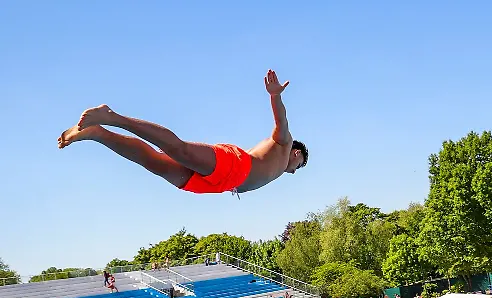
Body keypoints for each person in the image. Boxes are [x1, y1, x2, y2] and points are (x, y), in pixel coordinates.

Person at [58, 70, 307, 195]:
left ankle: (98, 133)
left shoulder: (278, 164)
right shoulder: (284, 146)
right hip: (235, 167)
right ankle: (112, 117)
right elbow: (281, 120)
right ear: (296, 153)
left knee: (153, 163)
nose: (295, 171)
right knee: (178, 149)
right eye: (300, 164)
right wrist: (275, 96)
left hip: (222, 184)